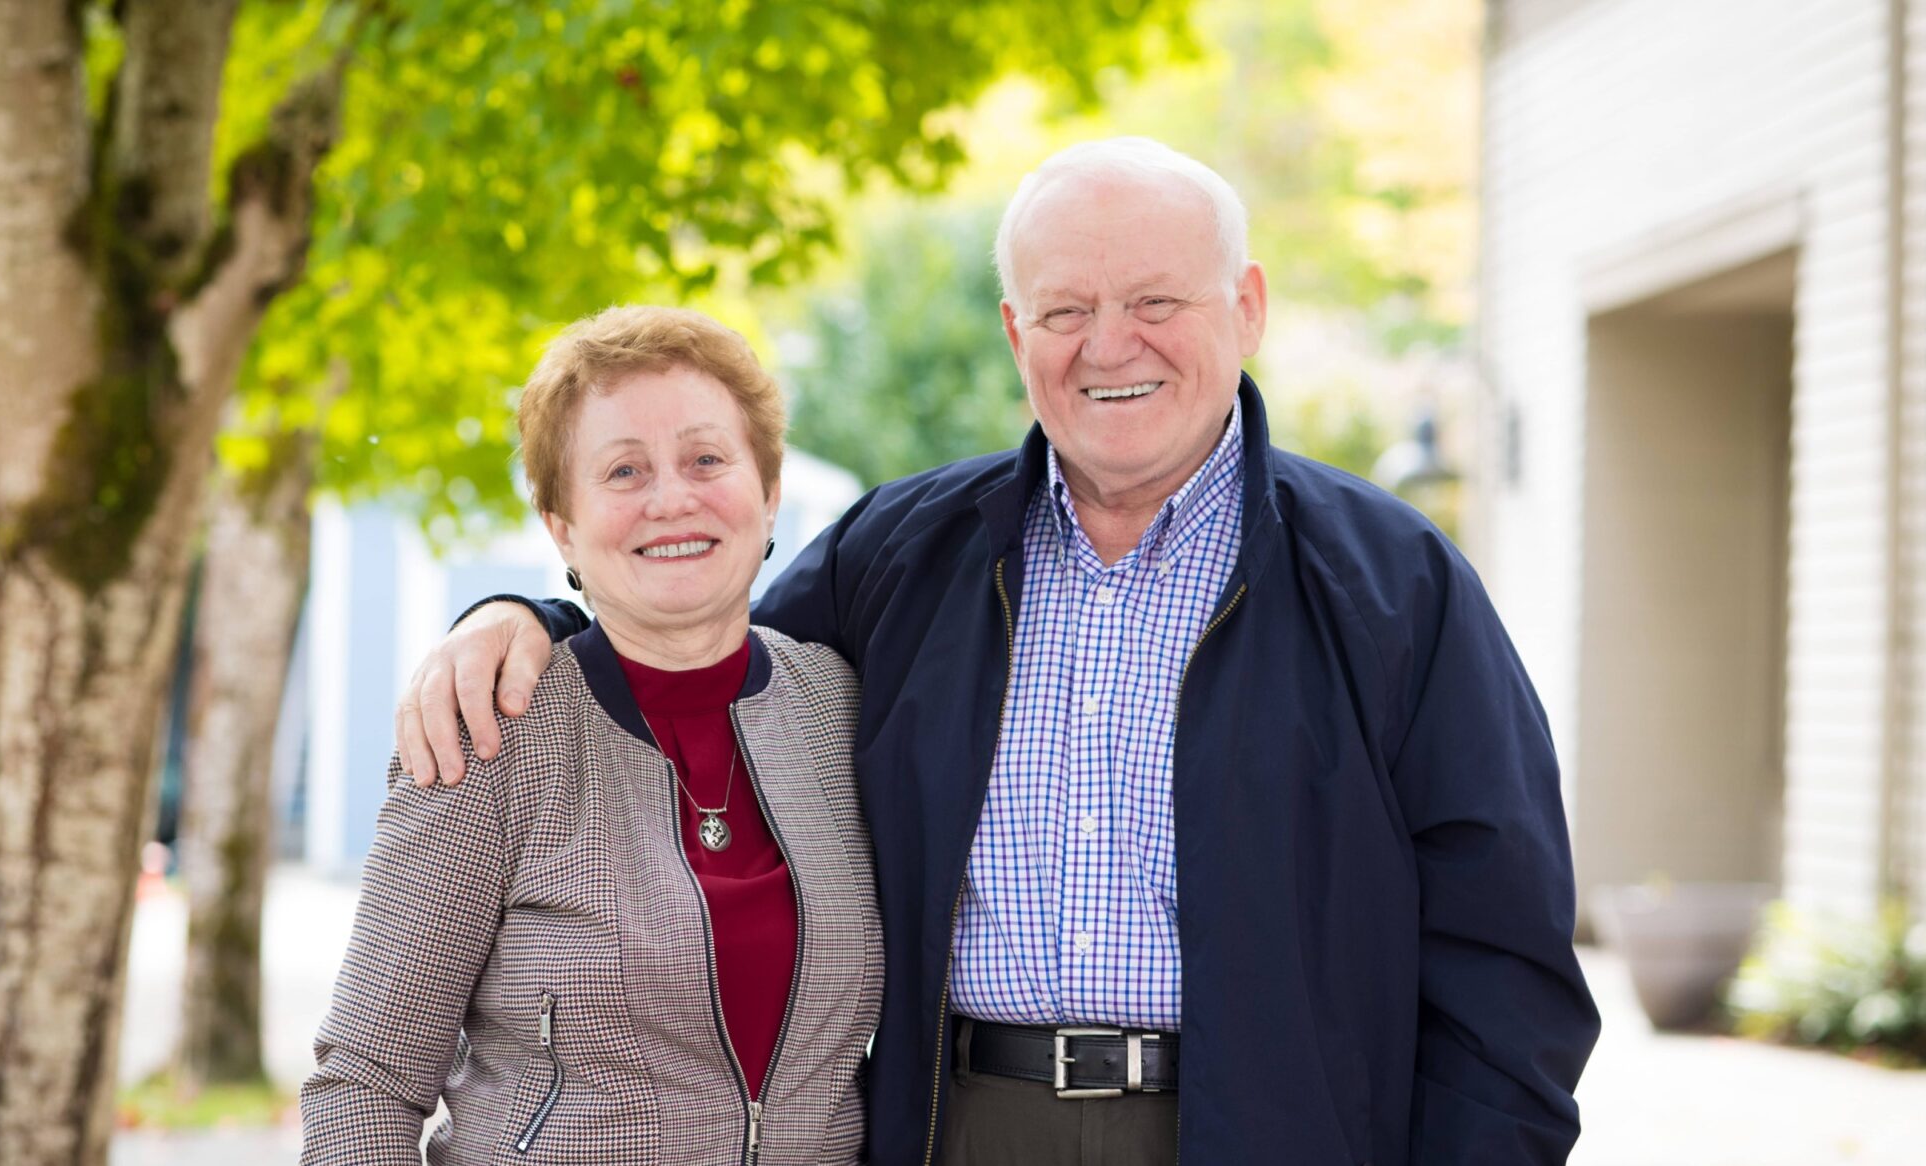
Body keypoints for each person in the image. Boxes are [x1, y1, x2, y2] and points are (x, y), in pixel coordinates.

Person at [394, 138, 1600, 1165]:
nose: (1108, 344)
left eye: (1156, 302)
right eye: (1065, 310)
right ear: (1017, 330)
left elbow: (1507, 966)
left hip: (1268, 1129)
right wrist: (531, 619)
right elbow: (699, 653)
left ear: (1247, 306)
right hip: (957, 1123)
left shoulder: (1393, 583)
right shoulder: (904, 553)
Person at [299, 306, 883, 1164]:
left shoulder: (839, 708)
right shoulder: (493, 732)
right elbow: (367, 1085)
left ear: (767, 491)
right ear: (561, 525)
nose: (671, 498)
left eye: (706, 459)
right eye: (623, 471)